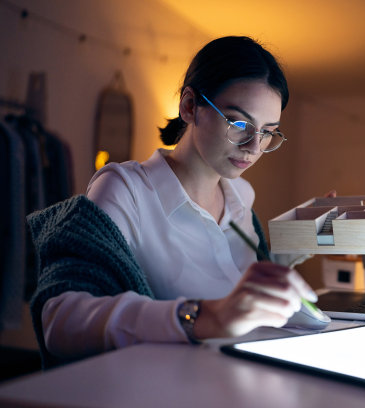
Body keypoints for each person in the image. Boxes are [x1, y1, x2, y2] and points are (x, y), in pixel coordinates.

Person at [28, 36, 324, 368]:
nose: (254, 147)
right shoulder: (126, 190)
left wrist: (299, 240)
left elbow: (239, 282)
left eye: (268, 131)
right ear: (189, 106)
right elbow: (60, 321)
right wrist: (201, 316)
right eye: (240, 123)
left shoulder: (242, 196)